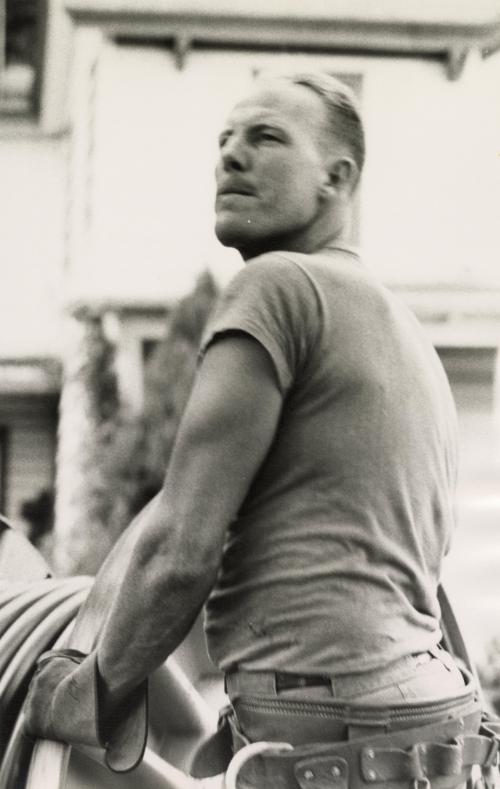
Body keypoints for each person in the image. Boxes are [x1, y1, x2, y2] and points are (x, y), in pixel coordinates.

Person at [24, 73, 484, 787]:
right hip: (439, 730)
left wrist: (89, 692)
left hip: (332, 731)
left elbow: (182, 548)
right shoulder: (405, 333)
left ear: (338, 178)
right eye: (224, 140)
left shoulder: (276, 288)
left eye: (266, 138)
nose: (231, 157)